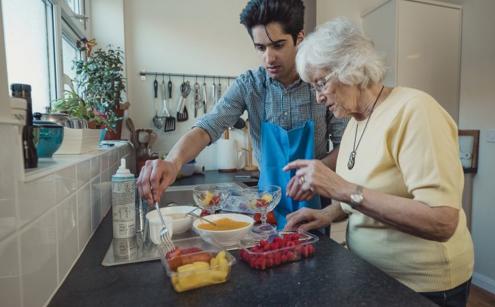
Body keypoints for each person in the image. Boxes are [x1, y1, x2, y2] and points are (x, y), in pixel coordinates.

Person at [283, 18, 474, 307]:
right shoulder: (354, 124)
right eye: (313, 87)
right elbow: (371, 194)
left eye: (321, 82)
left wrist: (341, 189)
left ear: (351, 68)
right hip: (371, 274)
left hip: (422, 286)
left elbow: (442, 221)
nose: (319, 97)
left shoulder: (414, 110)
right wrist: (329, 213)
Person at [136, 0, 347, 229]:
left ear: (299, 38)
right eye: (260, 47)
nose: (269, 58)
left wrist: (317, 170)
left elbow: (345, 146)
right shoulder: (250, 85)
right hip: (267, 209)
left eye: (278, 45)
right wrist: (172, 162)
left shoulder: (322, 84)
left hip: (314, 207)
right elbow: (207, 128)